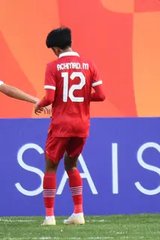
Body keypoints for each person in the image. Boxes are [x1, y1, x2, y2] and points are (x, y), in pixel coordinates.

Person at [35, 27, 106, 226]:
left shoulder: (52, 67)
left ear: (56, 49)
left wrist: (39, 105)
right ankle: (79, 213)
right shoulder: (89, 64)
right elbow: (101, 95)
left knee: (50, 167)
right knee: (71, 165)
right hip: (82, 125)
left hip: (61, 125)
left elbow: (49, 98)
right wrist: (82, 98)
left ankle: (49, 217)